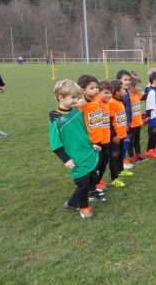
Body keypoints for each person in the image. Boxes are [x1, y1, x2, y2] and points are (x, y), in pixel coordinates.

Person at [49, 79, 100, 218]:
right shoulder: (56, 120)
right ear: (60, 97)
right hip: (75, 158)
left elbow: (83, 131)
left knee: (93, 179)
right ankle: (83, 207)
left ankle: (71, 203)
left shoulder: (77, 112)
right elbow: (55, 144)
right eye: (72, 97)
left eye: (76, 97)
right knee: (83, 184)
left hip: (88, 152)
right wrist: (66, 159)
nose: (76, 100)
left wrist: (91, 144)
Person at [75, 75, 105, 202]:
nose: (96, 90)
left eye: (96, 87)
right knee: (92, 167)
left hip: (100, 138)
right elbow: (71, 112)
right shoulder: (82, 104)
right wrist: (78, 104)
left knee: (99, 165)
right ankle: (91, 192)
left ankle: (94, 187)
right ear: (83, 90)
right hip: (90, 142)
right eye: (92, 88)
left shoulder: (96, 100)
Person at [108, 80, 132, 187]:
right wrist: (114, 135)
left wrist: (125, 125)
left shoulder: (120, 100)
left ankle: (121, 170)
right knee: (114, 157)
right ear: (117, 92)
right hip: (116, 136)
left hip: (122, 133)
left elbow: (121, 115)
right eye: (122, 89)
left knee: (121, 153)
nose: (125, 91)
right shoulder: (112, 102)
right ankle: (114, 178)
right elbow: (109, 121)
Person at [95, 81, 113, 193]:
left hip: (107, 138)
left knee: (104, 161)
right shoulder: (96, 103)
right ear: (98, 93)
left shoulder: (108, 103)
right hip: (98, 140)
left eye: (110, 93)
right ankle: (95, 184)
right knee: (98, 162)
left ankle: (99, 180)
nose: (109, 95)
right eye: (106, 93)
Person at [128, 77, 147, 162]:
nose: (138, 88)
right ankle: (131, 156)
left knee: (137, 139)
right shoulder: (128, 97)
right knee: (130, 141)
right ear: (131, 87)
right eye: (137, 86)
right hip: (131, 124)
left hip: (138, 122)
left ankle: (138, 153)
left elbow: (142, 95)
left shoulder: (137, 95)